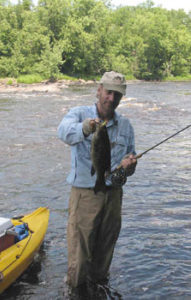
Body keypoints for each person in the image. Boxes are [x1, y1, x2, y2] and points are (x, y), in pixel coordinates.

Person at [58, 71, 137, 295]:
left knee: (105, 250)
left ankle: (99, 288)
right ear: (99, 90)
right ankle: (76, 291)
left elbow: (127, 167)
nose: (112, 98)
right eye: (109, 92)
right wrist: (84, 128)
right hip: (84, 194)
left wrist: (128, 167)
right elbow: (63, 132)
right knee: (80, 253)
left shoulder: (126, 126)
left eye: (118, 95)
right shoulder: (79, 113)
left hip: (113, 196)